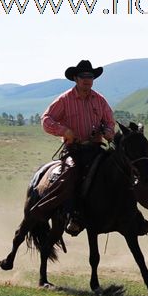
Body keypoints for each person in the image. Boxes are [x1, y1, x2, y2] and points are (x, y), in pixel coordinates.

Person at [30, 60, 116, 236]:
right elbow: (46, 119)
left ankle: (129, 215)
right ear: (76, 79)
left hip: (96, 149)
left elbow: (109, 122)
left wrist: (107, 132)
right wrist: (65, 131)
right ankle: (73, 216)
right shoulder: (65, 99)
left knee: (119, 170)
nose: (87, 80)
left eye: (90, 76)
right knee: (70, 175)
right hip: (74, 150)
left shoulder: (99, 100)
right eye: (84, 77)